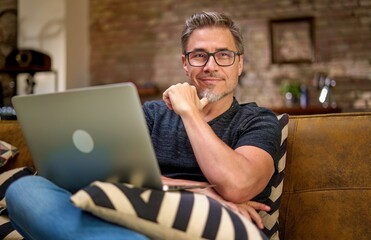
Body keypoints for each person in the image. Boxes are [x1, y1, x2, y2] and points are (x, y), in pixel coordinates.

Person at [6, 11, 281, 239]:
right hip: (136, 219)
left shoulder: (257, 120)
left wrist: (190, 113)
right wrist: (202, 189)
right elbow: (108, 174)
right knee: (24, 190)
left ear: (239, 64)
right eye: (199, 56)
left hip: (205, 230)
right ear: (185, 64)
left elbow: (237, 186)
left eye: (223, 55)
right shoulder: (151, 114)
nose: (210, 65)